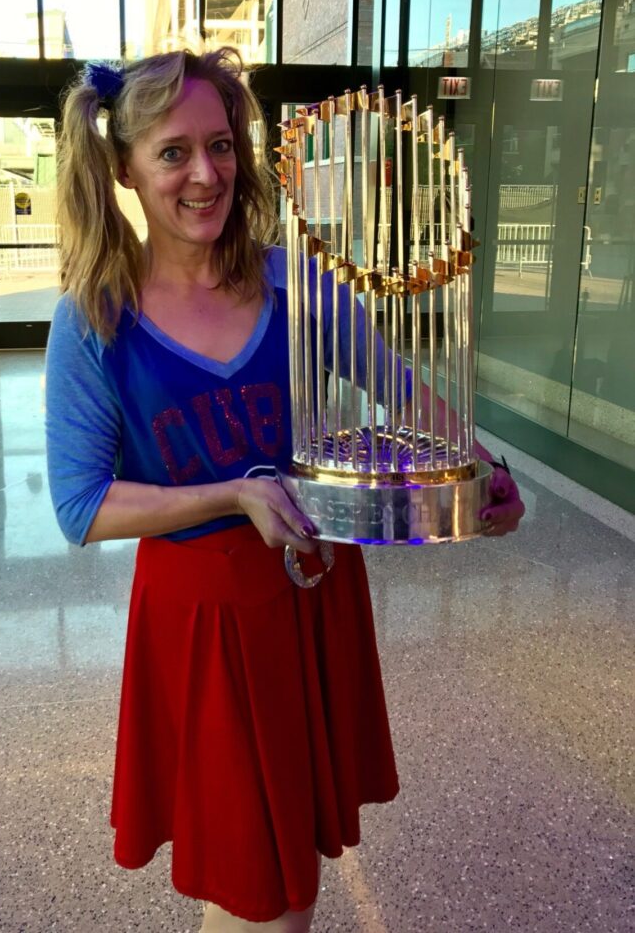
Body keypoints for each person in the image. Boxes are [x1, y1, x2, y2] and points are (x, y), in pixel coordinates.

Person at [45, 47, 524, 932]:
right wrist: (234, 495)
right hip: (204, 622)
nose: (206, 174)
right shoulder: (94, 314)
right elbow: (81, 505)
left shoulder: (290, 282)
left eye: (221, 145)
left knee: (277, 864)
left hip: (312, 600)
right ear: (123, 169)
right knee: (263, 893)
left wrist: (486, 471)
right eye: (174, 152)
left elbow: (400, 386)